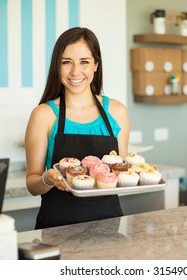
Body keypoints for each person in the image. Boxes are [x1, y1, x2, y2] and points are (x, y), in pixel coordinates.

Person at [25, 27, 130, 229]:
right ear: (57, 66)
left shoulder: (117, 112)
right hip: (56, 228)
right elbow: (32, 184)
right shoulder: (43, 115)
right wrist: (47, 179)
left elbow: (120, 173)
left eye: (84, 62)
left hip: (108, 226)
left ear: (96, 65)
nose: (75, 71)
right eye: (66, 62)